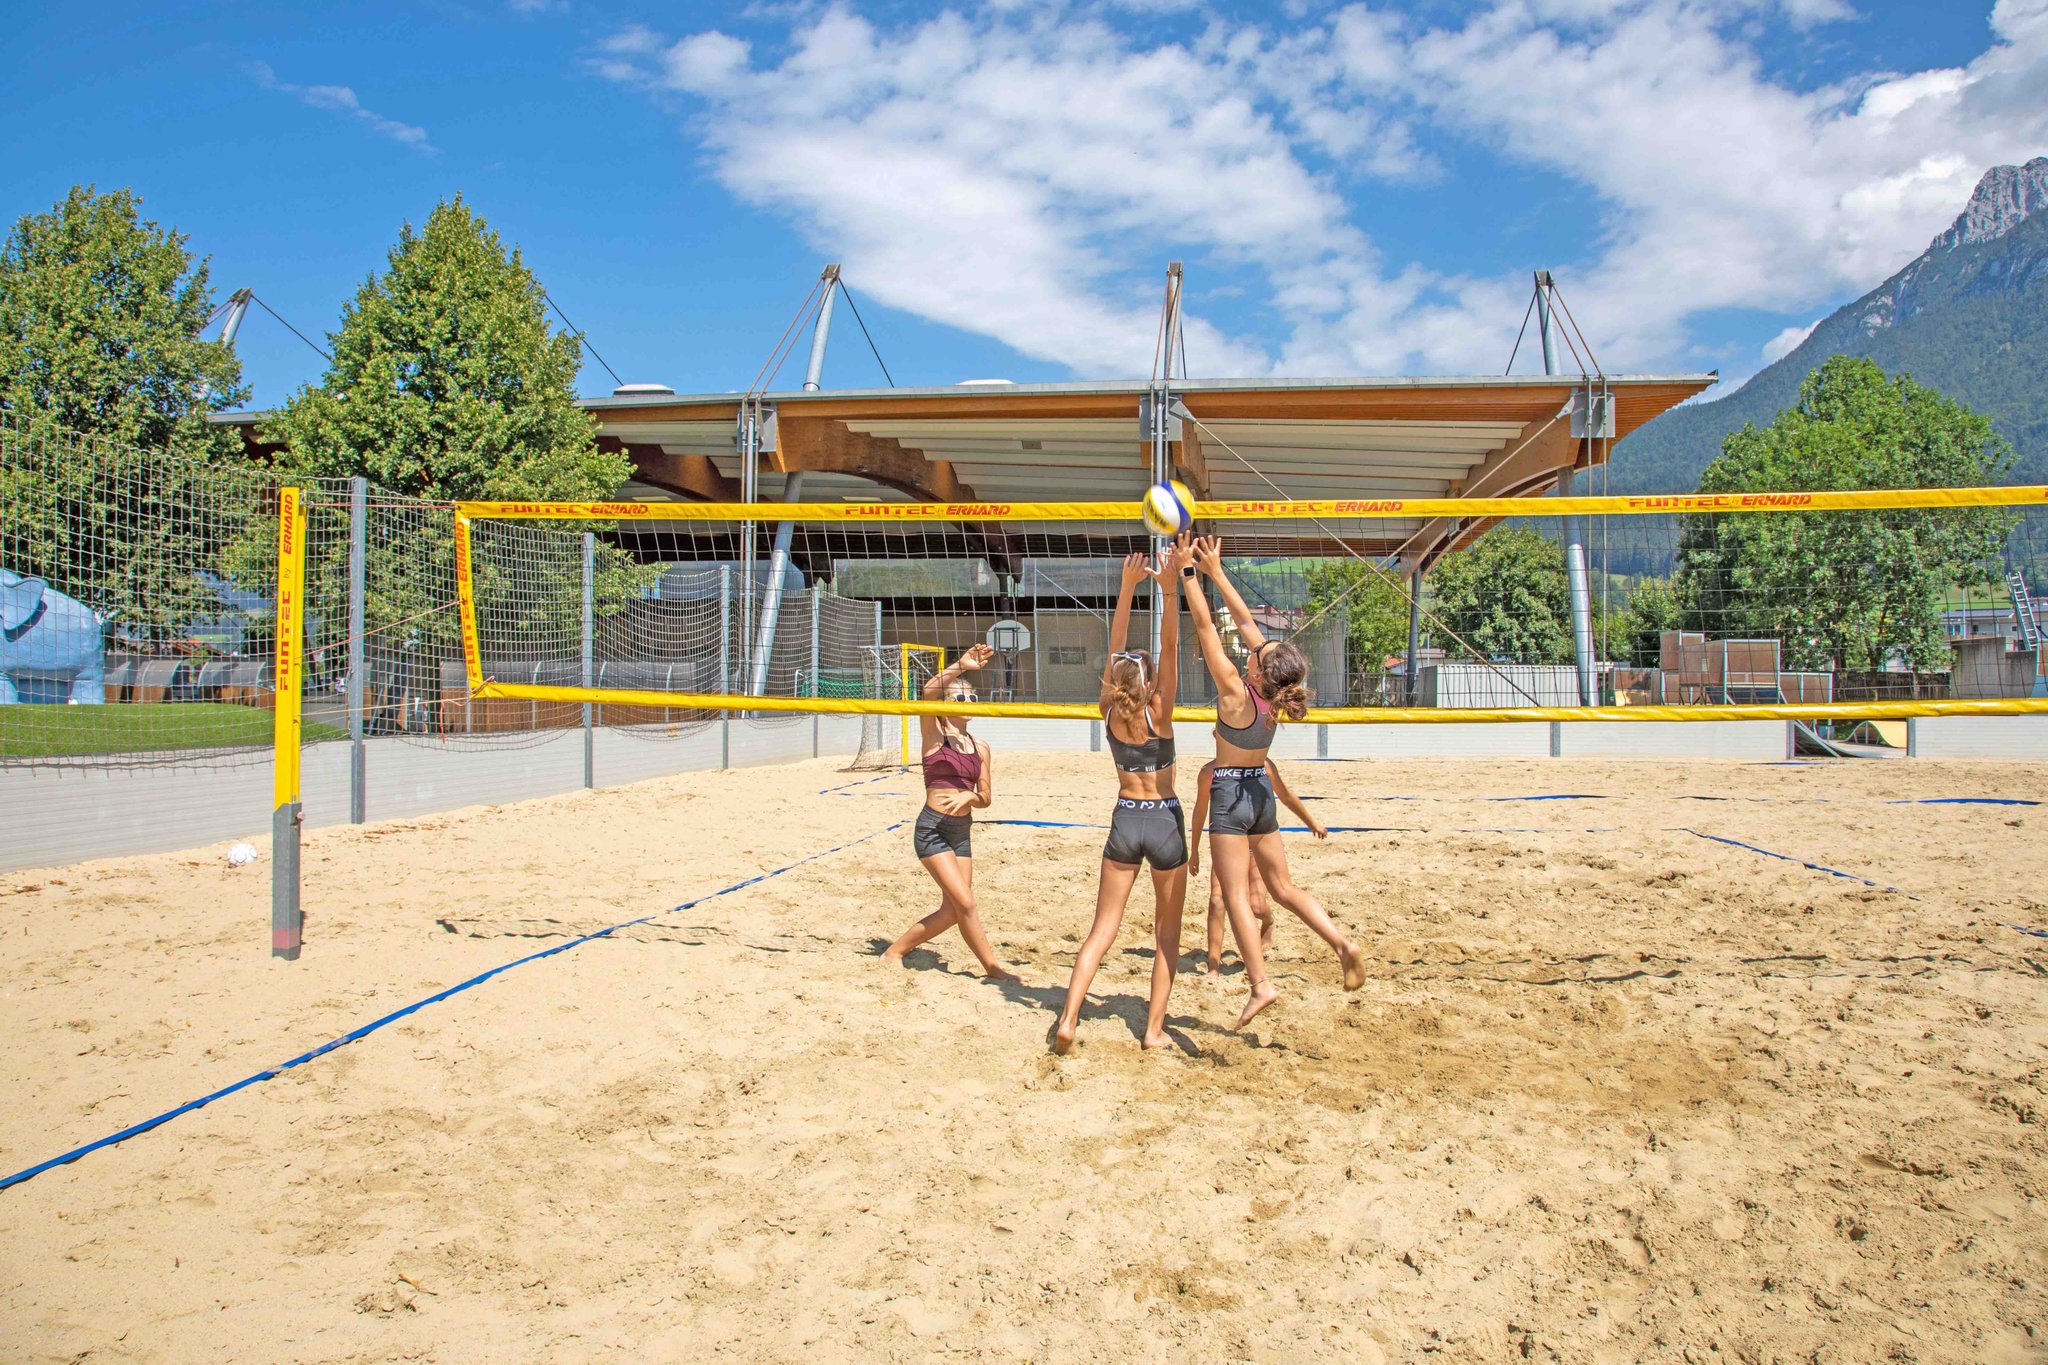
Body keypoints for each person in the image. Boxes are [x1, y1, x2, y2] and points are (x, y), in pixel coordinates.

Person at [1183, 535, 1365, 1027]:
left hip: (1227, 791)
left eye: (1257, 651)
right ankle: (1342, 943)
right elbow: (1244, 624)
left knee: (1236, 897)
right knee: (1283, 887)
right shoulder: (1277, 690)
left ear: (1260, 669)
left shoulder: (1235, 696)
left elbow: (1206, 629)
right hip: (1261, 792)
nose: (1252, 646)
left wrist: (1187, 576)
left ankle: (1261, 986)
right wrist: (1216, 571)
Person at [1050, 544, 1188, 1053]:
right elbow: (1170, 648)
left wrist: (1127, 587)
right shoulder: (1160, 712)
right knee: (1166, 937)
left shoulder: (1109, 712)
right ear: (1149, 683)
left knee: (1101, 930)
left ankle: (1068, 1018)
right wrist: (1169, 589)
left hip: (1126, 817)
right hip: (1166, 821)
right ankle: (1153, 1032)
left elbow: (1117, 651)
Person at [882, 642, 1015, 980]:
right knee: (966, 904)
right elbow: (928, 692)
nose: (968, 702)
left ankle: (895, 951)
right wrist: (963, 665)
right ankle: (994, 969)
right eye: (960, 698)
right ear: (945, 706)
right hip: (934, 829)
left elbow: (986, 797)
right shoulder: (934, 734)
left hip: (961, 830)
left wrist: (969, 799)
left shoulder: (980, 746)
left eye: (972, 697)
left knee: (954, 910)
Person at [1189, 757, 1327, 973]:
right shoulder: (1209, 772)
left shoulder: (1264, 765)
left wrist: (1311, 822)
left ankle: (1269, 921)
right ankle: (1213, 966)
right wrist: (1194, 850)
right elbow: (1199, 810)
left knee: (1256, 906)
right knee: (1217, 899)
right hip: (1228, 840)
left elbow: (1285, 794)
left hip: (1256, 840)